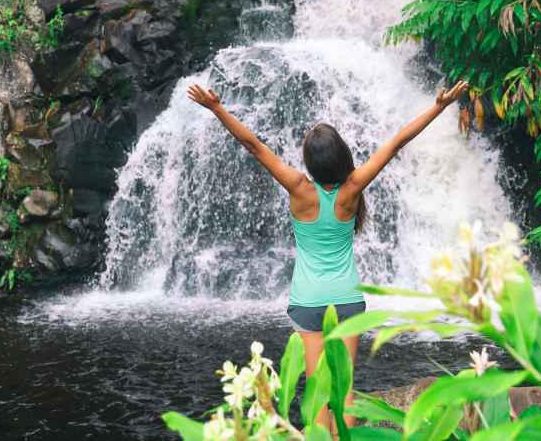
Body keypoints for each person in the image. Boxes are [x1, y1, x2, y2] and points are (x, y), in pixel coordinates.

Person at [187, 79, 469, 431]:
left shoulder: (298, 187)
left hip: (309, 300)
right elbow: (397, 141)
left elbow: (254, 146)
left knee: (319, 389)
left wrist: (216, 108)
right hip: (346, 298)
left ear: (310, 161)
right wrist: (439, 107)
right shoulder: (353, 188)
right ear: (341, 158)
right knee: (344, 388)